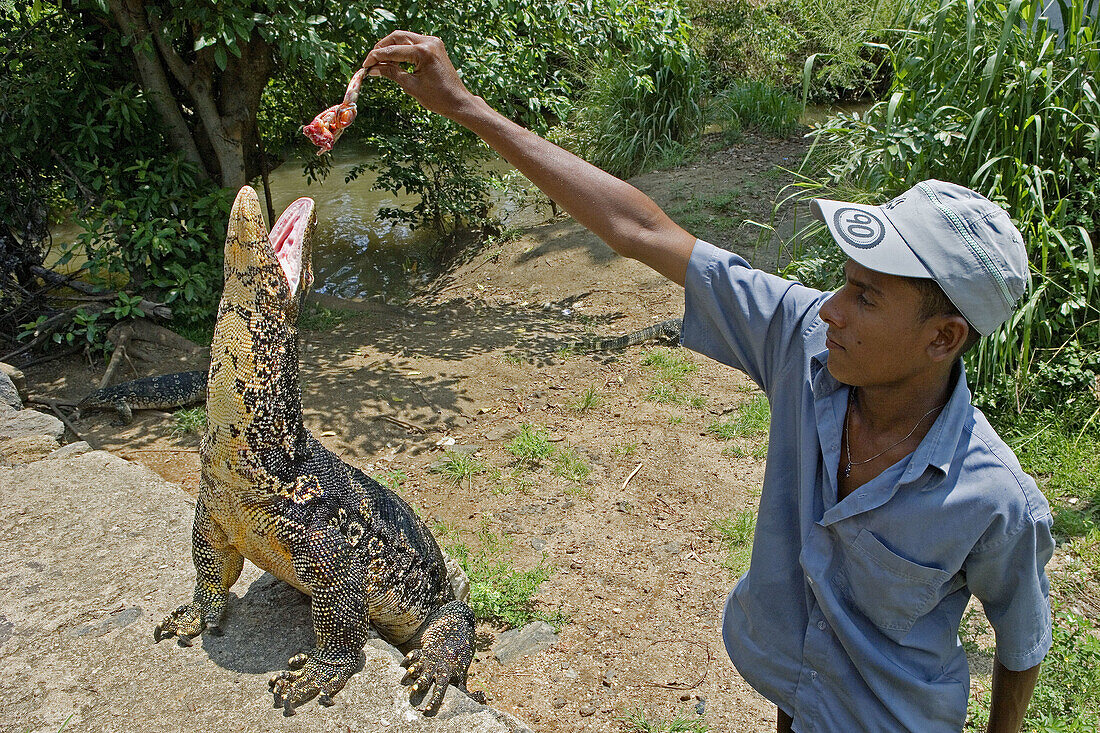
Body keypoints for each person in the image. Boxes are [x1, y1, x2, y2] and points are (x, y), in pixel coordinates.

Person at [361, 31, 1054, 732]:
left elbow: (1022, 638)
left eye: (867, 298)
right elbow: (638, 227)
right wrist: (464, 105)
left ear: (943, 337)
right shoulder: (803, 339)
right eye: (843, 285)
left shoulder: (994, 498)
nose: (832, 311)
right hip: (797, 694)